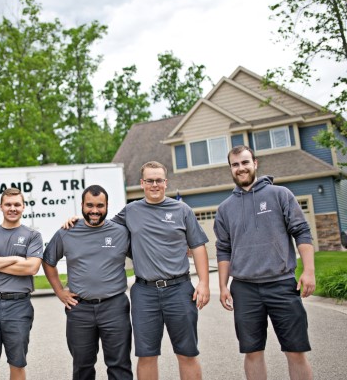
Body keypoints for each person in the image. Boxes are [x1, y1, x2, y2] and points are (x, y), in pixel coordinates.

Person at [215, 145, 315, 380]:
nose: (241, 168)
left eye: (245, 162)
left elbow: (301, 231)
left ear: (255, 163)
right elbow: (223, 250)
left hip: (281, 284)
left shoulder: (280, 195)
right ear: (230, 168)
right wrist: (222, 286)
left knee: (295, 351)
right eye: (235, 164)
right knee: (252, 352)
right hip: (245, 289)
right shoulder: (224, 209)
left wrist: (308, 270)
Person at [113, 161, 210, 380]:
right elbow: (101, 229)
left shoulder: (182, 210)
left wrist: (203, 283)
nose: (154, 185)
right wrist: (78, 221)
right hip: (144, 292)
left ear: (165, 183)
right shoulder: (131, 211)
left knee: (187, 352)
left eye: (159, 180)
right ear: (142, 183)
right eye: (150, 180)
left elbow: (197, 246)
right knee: (146, 355)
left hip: (179, 290)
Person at [44, 185, 133, 380]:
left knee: (120, 366)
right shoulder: (67, 232)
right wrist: (60, 291)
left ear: (107, 206)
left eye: (100, 205)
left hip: (114, 306)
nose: (94, 210)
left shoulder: (121, 232)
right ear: (82, 205)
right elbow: (48, 261)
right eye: (89, 205)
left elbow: (145, 252)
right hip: (80, 310)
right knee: (82, 367)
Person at [0, 187, 43, 380]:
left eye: (17, 204)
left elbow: (31, 268)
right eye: (8, 204)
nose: (13, 208)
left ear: (23, 207)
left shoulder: (32, 235)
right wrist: (16, 259)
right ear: (1, 207)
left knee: (17, 363)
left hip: (19, 306)